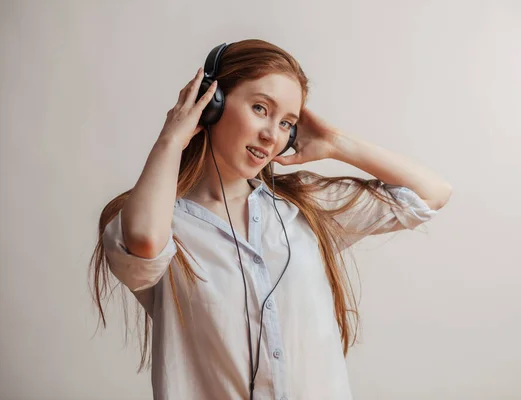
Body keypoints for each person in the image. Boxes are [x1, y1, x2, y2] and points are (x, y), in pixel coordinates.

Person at [89, 39, 452, 400]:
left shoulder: (305, 208)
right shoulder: (157, 218)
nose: (271, 135)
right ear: (211, 103)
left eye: (287, 124)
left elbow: (430, 194)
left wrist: (335, 142)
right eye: (260, 108)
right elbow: (145, 242)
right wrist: (171, 139)